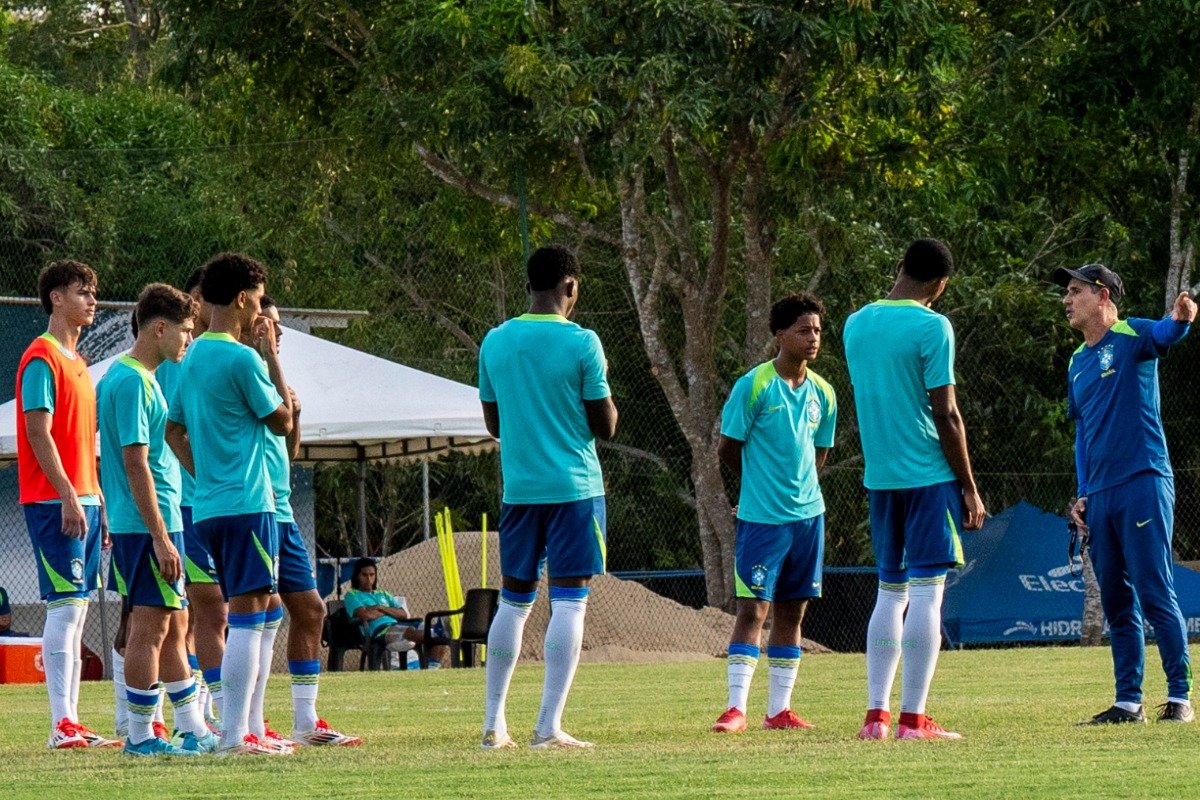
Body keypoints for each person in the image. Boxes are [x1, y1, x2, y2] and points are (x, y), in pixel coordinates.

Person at [843, 238, 986, 741]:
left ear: (900, 266)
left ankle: (875, 717)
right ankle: (913, 720)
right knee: (928, 593)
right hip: (928, 476)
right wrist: (968, 486)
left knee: (889, 592)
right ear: (941, 285)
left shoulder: (855, 323)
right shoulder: (933, 326)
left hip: (880, 479)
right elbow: (945, 412)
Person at [477, 244, 618, 749]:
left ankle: (494, 725)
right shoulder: (583, 342)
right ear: (570, 287)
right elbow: (605, 425)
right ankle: (547, 726)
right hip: (574, 489)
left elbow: (494, 424)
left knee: (513, 603)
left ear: (528, 286)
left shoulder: (495, 341)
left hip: (520, 489)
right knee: (570, 603)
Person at [1055, 263, 1196, 725]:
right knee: (1116, 598)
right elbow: (1083, 434)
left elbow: (1167, 333)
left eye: (1074, 291)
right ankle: (1127, 702)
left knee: (1155, 591)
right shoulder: (1077, 361)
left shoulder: (1132, 332)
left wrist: (1181, 318)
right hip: (1101, 494)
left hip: (1143, 481)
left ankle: (1180, 698)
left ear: (1102, 295)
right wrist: (1082, 492)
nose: (1066, 299)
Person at [166, 252, 294, 756]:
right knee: (246, 614)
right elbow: (282, 421)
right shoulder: (241, 358)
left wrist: (207, 474)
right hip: (248, 503)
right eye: (259, 300)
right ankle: (236, 735)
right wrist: (269, 355)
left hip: (212, 506)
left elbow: (174, 430)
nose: (261, 311)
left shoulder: (192, 355)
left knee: (260, 611)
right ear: (242, 298)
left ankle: (251, 728)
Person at [97, 283, 216, 757]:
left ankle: (191, 727)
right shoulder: (129, 380)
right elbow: (134, 462)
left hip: (154, 524)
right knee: (150, 627)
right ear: (160, 328)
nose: (190, 339)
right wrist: (161, 537)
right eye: (186, 331)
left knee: (173, 621)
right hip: (147, 527)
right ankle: (142, 736)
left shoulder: (136, 377)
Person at [711, 294, 836, 733]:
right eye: (804, 330)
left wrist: (803, 491)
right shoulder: (754, 384)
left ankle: (779, 710)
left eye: (818, 330)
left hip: (809, 519)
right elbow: (727, 448)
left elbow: (820, 452)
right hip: (763, 520)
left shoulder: (824, 391)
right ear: (779, 334)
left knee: (792, 613)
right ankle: (735, 709)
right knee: (754, 611)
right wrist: (758, 487)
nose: (813, 338)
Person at [245, 297, 361, 746]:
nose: (279, 333)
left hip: (282, 510)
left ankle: (306, 720)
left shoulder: (274, 377)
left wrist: (297, 415)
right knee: (255, 613)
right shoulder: (243, 369)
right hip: (254, 509)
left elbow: (288, 452)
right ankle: (240, 722)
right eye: (272, 325)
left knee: (311, 609)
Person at [16, 259, 119, 749]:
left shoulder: (78, 364)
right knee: (65, 608)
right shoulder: (42, 357)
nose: (91, 301)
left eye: (92, 293)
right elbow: (38, 434)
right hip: (54, 501)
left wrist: (97, 498)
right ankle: (62, 724)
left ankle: (72, 720)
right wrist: (66, 496)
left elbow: (83, 444)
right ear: (56, 298)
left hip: (87, 501)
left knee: (75, 610)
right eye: (82, 292)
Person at [156, 266, 224, 731]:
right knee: (195, 611)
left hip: (208, 503)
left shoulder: (208, 356)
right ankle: (207, 709)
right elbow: (166, 432)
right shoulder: (172, 363)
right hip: (182, 504)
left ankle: (203, 705)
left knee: (200, 614)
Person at [342, 558, 450, 667]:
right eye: (364, 575)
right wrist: (390, 611)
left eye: (372, 575)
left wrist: (380, 608)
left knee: (430, 630)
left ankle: (432, 668)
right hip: (379, 631)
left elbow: (403, 614)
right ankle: (436, 633)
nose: (369, 579)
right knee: (412, 632)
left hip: (398, 624)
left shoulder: (384, 594)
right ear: (357, 576)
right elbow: (365, 615)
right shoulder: (352, 595)